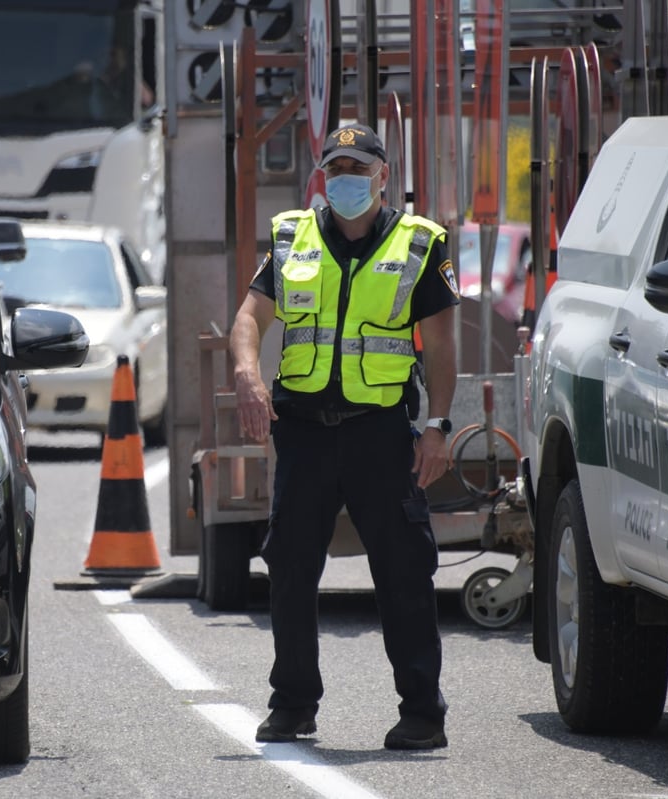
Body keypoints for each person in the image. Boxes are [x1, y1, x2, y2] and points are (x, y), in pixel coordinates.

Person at [229, 124, 460, 749]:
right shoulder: (291, 237)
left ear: (383, 176)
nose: (346, 180)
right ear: (321, 177)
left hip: (380, 434)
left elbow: (440, 348)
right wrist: (248, 379)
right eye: (335, 169)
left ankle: (421, 713)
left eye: (358, 168)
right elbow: (249, 320)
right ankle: (293, 705)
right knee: (290, 567)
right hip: (303, 431)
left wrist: (437, 427)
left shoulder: (418, 245)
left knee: (404, 569)